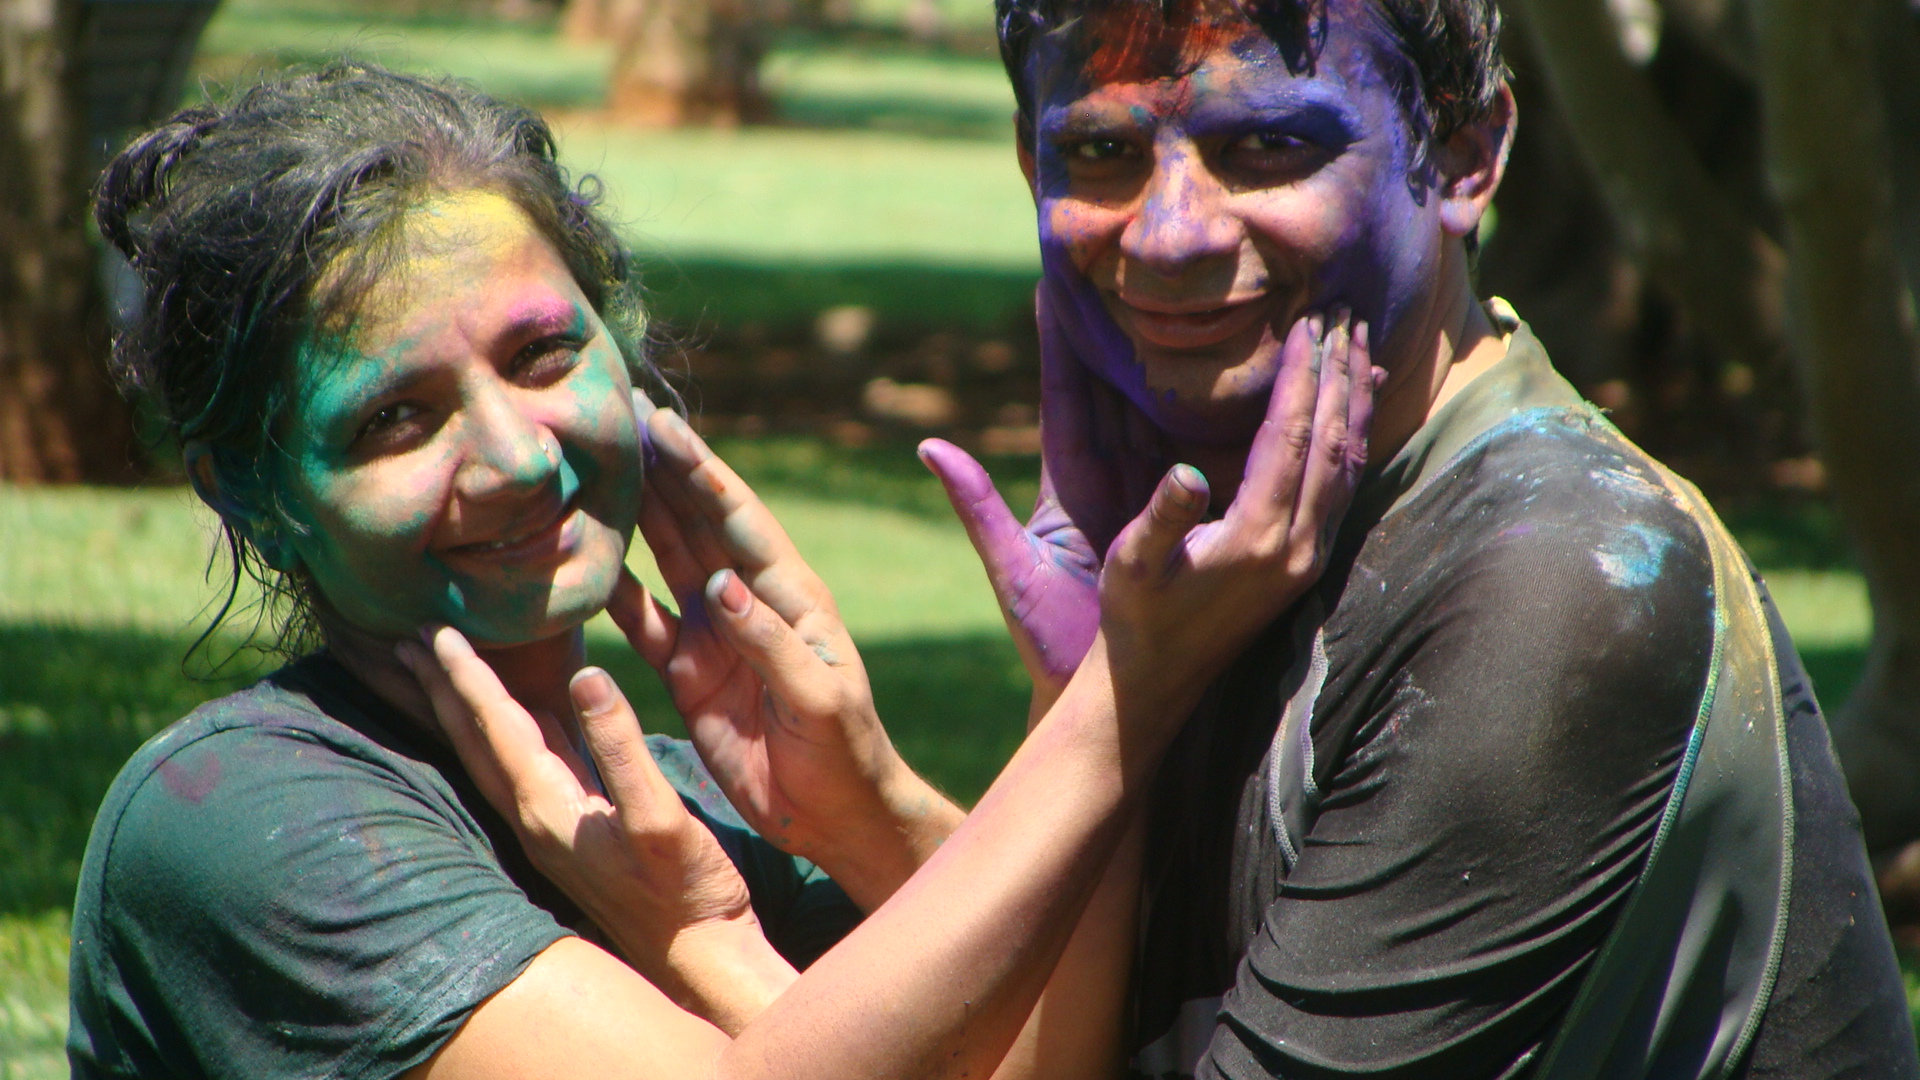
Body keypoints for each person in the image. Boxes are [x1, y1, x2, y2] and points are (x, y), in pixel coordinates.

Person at [65, 62, 1380, 1080]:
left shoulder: (691, 800)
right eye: (394, 420)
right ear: (252, 493)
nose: (519, 459)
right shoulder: (243, 821)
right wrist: (1119, 708)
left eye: (539, 356)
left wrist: (864, 806)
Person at [903, 0, 1920, 1076]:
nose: (1170, 234)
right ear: (1029, 163)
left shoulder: (1558, 590)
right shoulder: (1220, 565)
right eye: (1100, 151)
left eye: (1266, 147)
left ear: (1467, 154)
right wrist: (1085, 702)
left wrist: (719, 955)